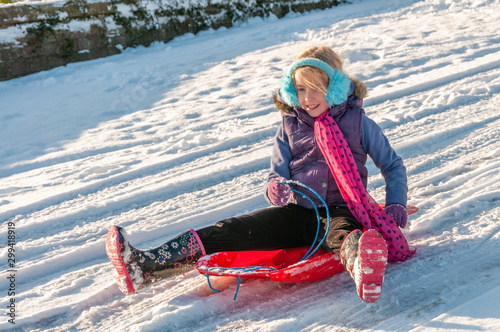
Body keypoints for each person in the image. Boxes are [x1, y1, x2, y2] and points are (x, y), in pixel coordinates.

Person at [105, 46, 415, 303]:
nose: (307, 98)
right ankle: (145, 267)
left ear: (334, 88)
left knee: (344, 235)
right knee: (228, 230)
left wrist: (396, 203)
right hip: (298, 211)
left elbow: (392, 165)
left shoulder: (359, 123)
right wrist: (274, 188)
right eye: (300, 89)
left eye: (315, 88)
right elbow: (275, 173)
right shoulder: (290, 125)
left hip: (341, 210)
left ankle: (363, 266)